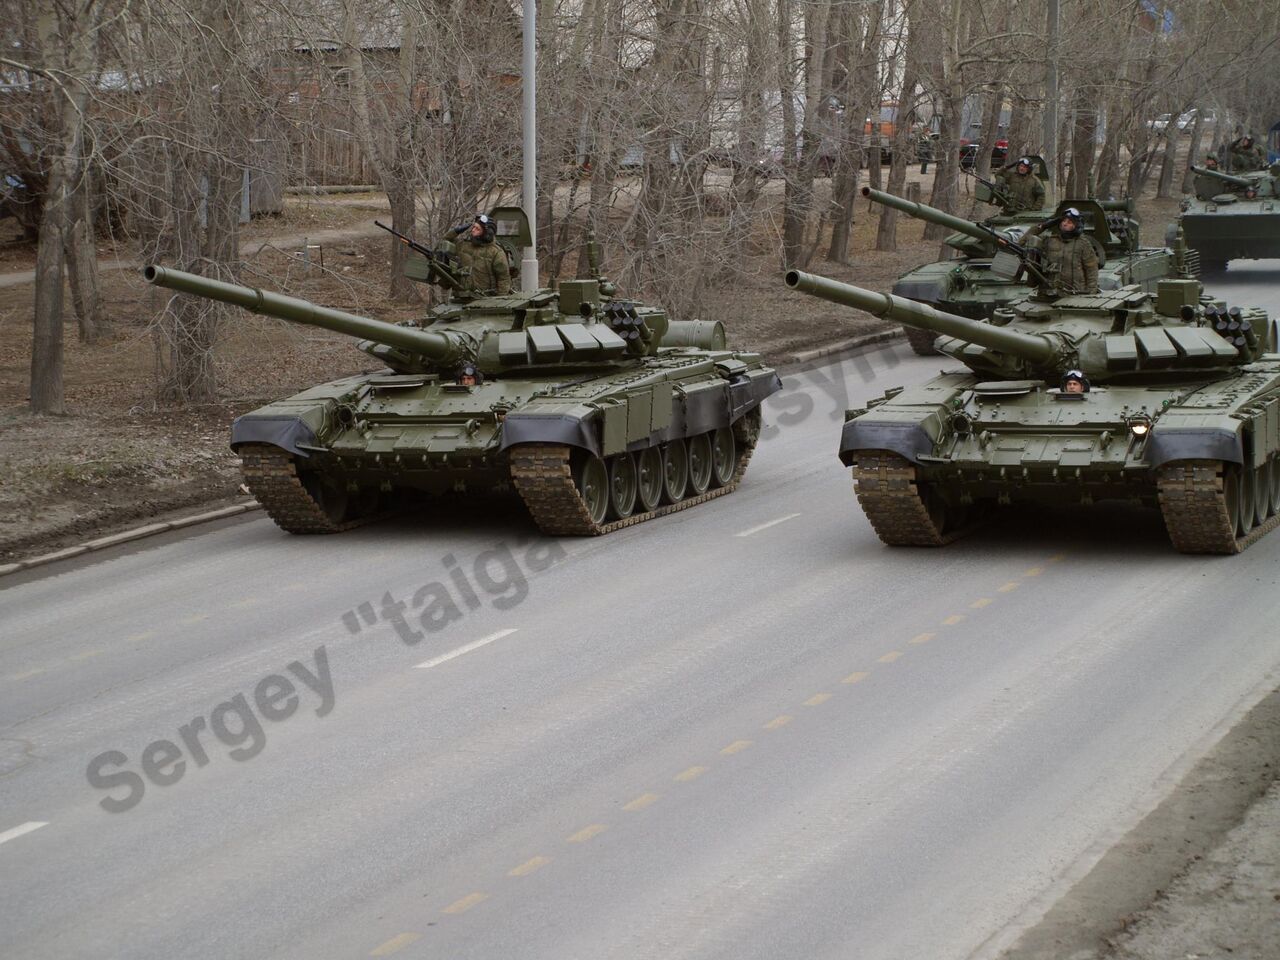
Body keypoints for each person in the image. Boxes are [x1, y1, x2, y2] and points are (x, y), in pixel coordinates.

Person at [1029, 207, 1100, 297]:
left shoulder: (1083, 243)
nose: (1064, 224)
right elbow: (1023, 241)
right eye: (1063, 221)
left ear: (1077, 226)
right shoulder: (1049, 241)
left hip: (1076, 295)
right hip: (1050, 294)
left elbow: (1092, 270)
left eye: (1069, 222)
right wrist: (1044, 226)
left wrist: (1091, 294)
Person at [446, 214, 512, 295]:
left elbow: (503, 279)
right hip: (462, 297)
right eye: (473, 227)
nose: (473, 230)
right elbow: (445, 242)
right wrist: (456, 231)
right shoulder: (463, 246)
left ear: (487, 234)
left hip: (485, 300)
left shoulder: (496, 252)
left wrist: (500, 300)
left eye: (477, 229)